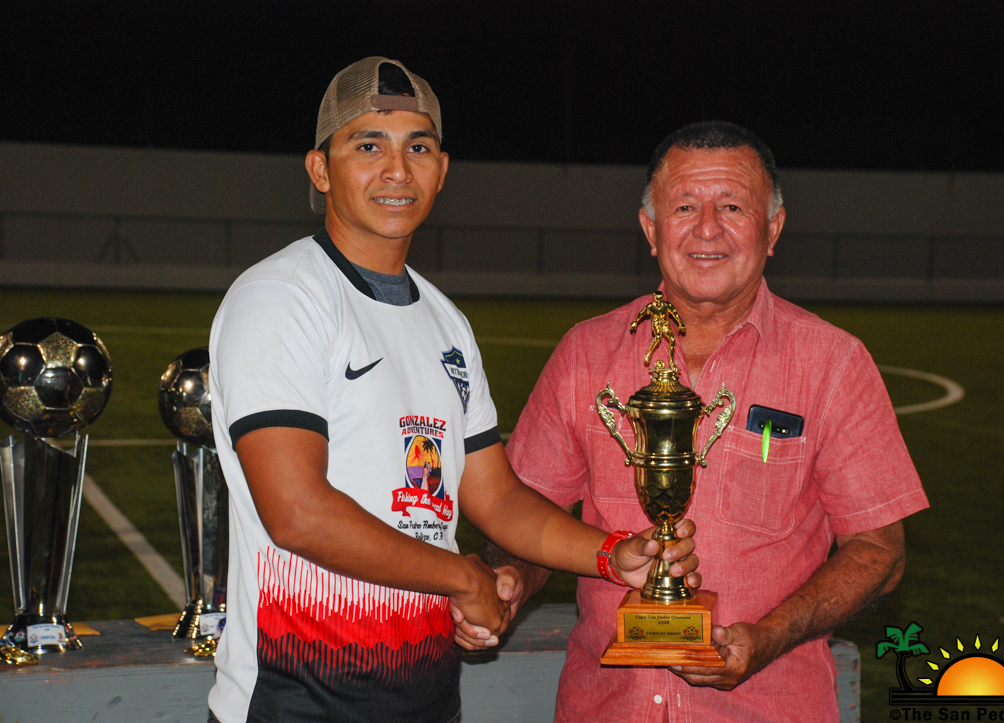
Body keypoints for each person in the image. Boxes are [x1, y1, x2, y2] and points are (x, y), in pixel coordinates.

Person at [206, 57, 699, 723]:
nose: (396, 170)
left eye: (418, 148)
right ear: (320, 170)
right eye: (368, 146)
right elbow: (297, 511)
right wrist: (463, 576)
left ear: (441, 170)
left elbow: (495, 496)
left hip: (427, 699)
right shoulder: (281, 297)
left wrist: (613, 555)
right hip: (297, 703)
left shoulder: (445, 322)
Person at [457, 121, 930, 722]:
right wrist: (509, 583)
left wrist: (768, 637)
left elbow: (879, 553)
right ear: (651, 229)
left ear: (773, 229)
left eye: (732, 206)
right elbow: (522, 514)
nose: (708, 228)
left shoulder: (834, 363)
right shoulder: (585, 354)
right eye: (684, 207)